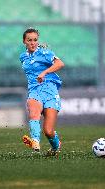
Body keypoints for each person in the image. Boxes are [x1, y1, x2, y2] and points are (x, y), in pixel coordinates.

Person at [19, 28, 65, 156]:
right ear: (24, 41)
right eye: (29, 40)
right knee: (34, 114)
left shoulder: (44, 52)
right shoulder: (23, 57)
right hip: (35, 91)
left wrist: (45, 72)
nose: (33, 43)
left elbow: (60, 63)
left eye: (35, 40)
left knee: (48, 131)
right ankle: (35, 141)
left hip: (50, 91)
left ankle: (56, 147)